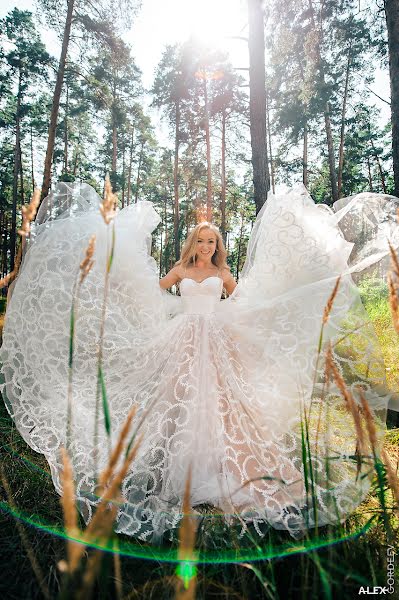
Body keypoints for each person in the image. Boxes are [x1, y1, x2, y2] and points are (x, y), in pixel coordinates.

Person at [1, 182, 398, 544]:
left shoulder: (223, 273)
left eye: (212, 241)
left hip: (217, 339)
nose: (207, 246)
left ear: (217, 245)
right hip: (183, 339)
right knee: (176, 396)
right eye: (202, 240)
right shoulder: (180, 271)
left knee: (222, 400)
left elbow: (242, 303)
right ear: (194, 242)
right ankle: (175, 460)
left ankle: (224, 464)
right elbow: (153, 296)